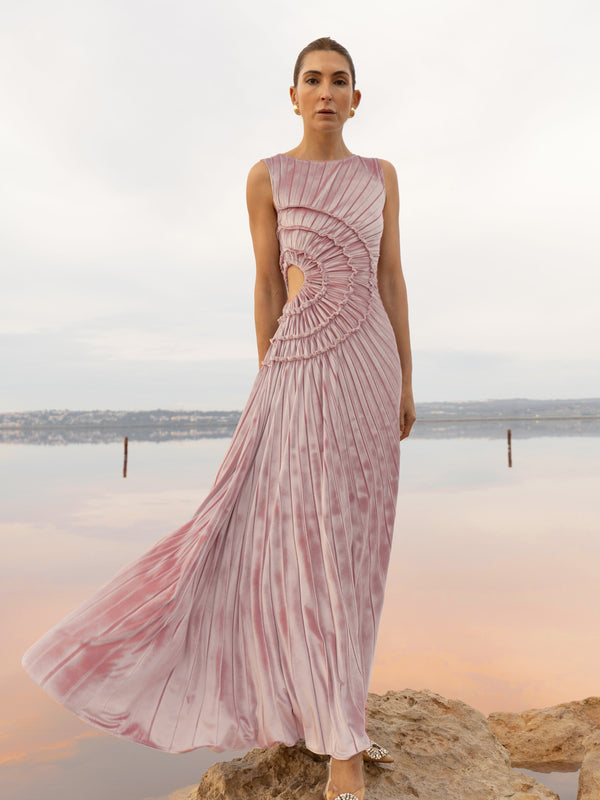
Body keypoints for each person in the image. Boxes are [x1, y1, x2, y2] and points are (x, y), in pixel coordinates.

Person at [21, 36, 415, 800]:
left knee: (359, 548)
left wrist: (406, 378)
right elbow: (266, 283)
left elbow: (391, 276)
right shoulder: (267, 176)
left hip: (371, 370)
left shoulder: (382, 177)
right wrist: (270, 372)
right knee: (309, 544)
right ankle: (341, 746)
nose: (326, 92)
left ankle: (329, 706)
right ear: (293, 94)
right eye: (313, 80)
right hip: (299, 367)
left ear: (358, 99)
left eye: (340, 81)